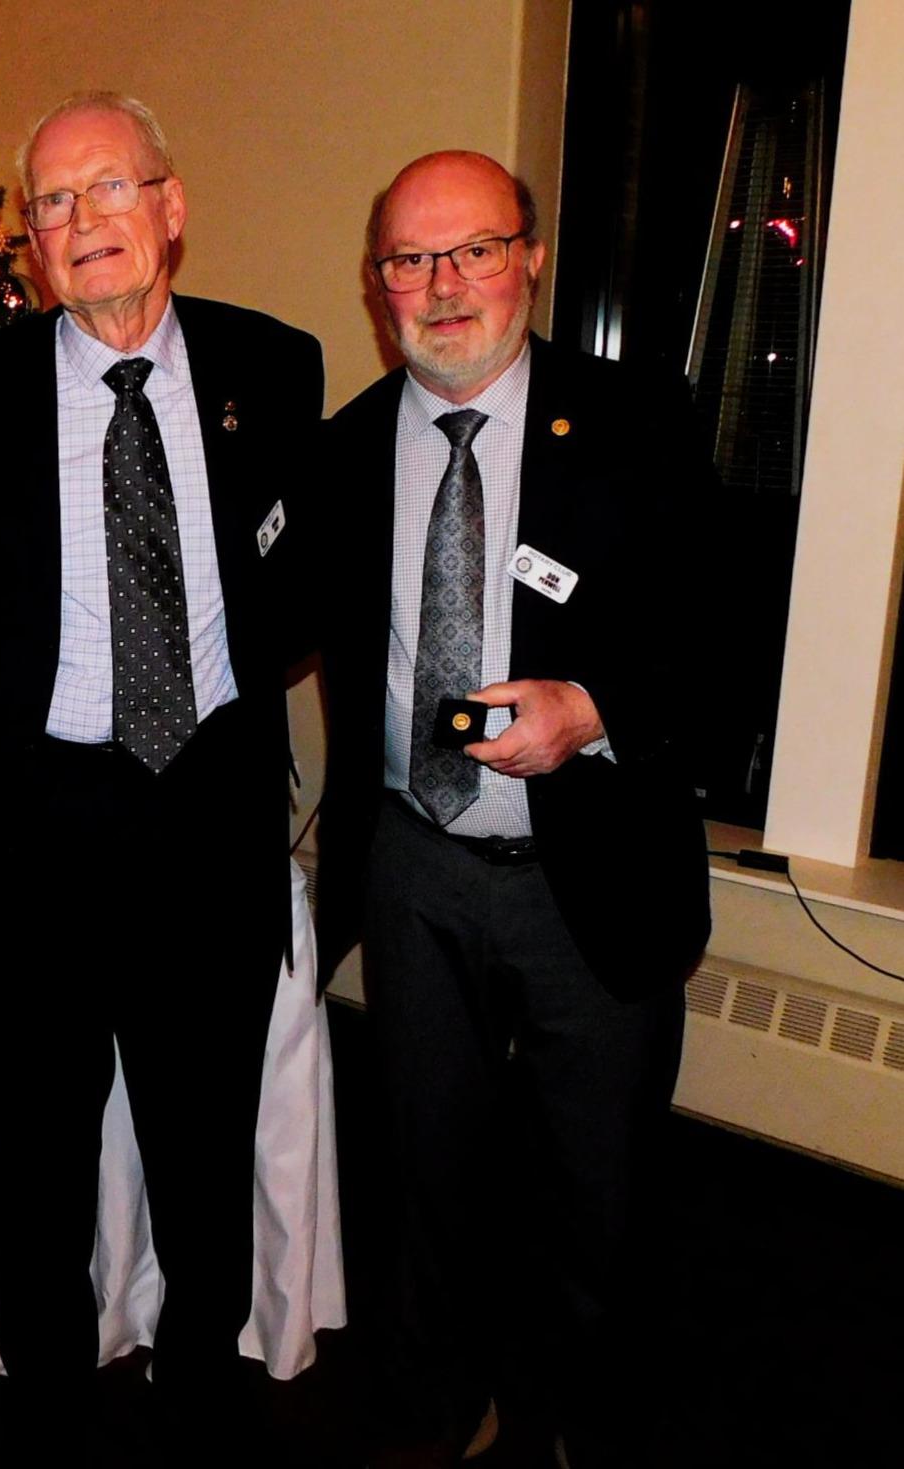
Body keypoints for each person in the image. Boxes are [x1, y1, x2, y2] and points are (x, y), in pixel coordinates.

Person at [0, 92, 324, 1458]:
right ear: (29, 241)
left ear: (169, 205)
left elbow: (302, 576)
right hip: (35, 830)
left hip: (204, 814)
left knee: (201, 1149)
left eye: (106, 191)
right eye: (50, 204)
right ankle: (49, 1408)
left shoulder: (277, 365)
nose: (80, 224)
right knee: (37, 1160)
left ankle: (197, 1384)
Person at [313, 150, 711, 1466]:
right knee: (423, 1176)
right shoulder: (341, 453)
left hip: (582, 873)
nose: (440, 287)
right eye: (408, 262)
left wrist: (586, 710)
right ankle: (439, 1404)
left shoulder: (638, 423)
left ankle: (575, 1422)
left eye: (470, 250)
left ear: (527, 257)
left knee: (592, 1187)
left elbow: (712, 640)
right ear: (375, 286)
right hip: (411, 869)